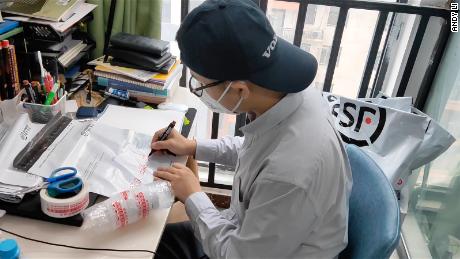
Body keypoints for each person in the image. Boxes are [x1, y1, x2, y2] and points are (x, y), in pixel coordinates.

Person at [152, 0, 352, 258]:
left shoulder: (290, 172)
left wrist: (193, 195)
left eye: (200, 85)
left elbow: (236, 255)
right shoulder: (291, 96)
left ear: (238, 89)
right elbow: (255, 150)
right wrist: (193, 147)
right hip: (256, 232)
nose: (200, 91)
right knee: (153, 243)